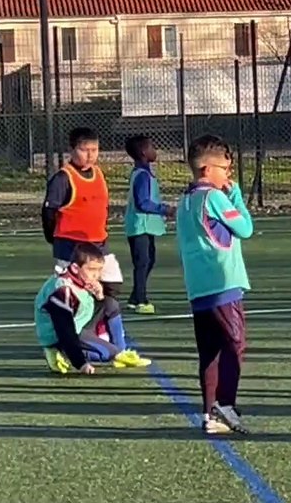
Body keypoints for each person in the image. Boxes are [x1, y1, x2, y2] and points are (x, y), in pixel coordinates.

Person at [177, 134, 254, 436]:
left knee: (209, 351)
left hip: (198, 288)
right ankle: (226, 405)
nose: (229, 174)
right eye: (225, 168)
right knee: (234, 345)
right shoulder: (215, 197)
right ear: (208, 169)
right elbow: (245, 228)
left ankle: (209, 412)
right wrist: (235, 196)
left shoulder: (185, 201)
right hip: (224, 283)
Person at [34, 242, 151, 374]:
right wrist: (81, 363)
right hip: (60, 335)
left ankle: (121, 352)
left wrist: (99, 296)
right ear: (75, 268)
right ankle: (56, 350)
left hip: (79, 326)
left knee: (110, 303)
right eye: (91, 269)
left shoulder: (81, 280)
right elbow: (65, 330)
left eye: (99, 270)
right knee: (105, 354)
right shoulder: (62, 290)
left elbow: (87, 310)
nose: (96, 275)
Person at [42, 127, 123, 300]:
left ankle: (100, 319)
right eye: (84, 150)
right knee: (71, 291)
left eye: (94, 150)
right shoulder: (63, 178)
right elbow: (49, 212)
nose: (90, 155)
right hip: (70, 246)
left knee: (113, 282)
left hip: (98, 243)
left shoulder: (98, 173)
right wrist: (53, 238)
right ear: (72, 150)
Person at [124, 134, 175, 313]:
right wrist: (165, 209)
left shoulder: (143, 173)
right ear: (144, 152)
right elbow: (142, 202)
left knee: (148, 260)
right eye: (152, 147)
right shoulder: (143, 175)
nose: (155, 150)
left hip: (144, 226)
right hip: (140, 226)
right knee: (143, 262)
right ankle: (141, 300)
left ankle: (135, 296)